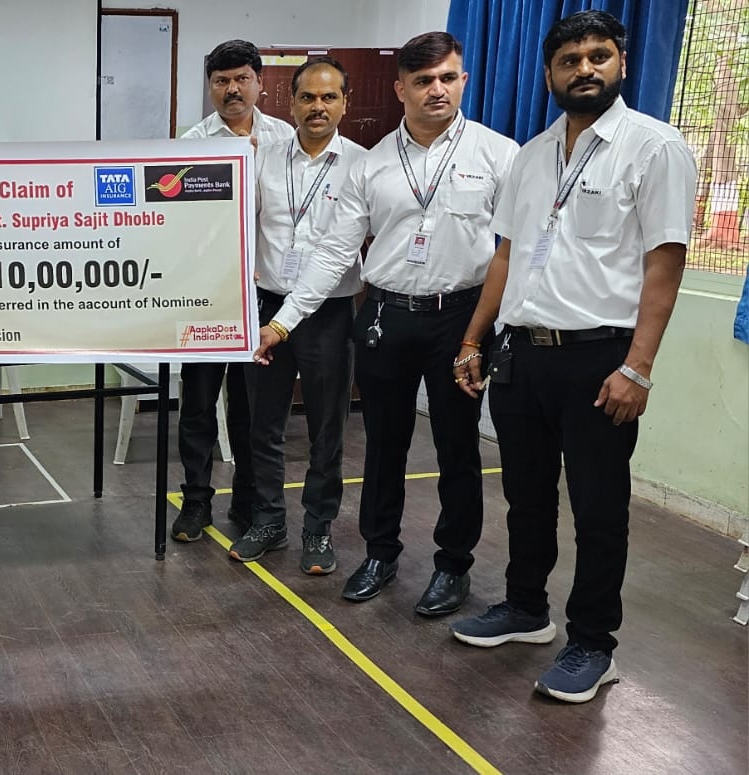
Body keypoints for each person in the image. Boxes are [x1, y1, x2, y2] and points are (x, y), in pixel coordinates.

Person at [449, 10, 697, 704]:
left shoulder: (655, 147)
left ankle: (593, 642)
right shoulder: (531, 155)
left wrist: (637, 367)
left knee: (598, 507)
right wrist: (473, 338)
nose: (584, 69)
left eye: (598, 56)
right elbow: (506, 255)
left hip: (600, 358)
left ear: (621, 63)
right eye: (569, 60)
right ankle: (526, 608)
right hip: (523, 355)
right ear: (550, 73)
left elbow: (664, 264)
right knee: (525, 497)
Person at [255, 32, 517, 614]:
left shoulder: (498, 154)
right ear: (400, 89)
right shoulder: (371, 165)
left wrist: (482, 336)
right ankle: (380, 553)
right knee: (383, 446)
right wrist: (283, 323)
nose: (436, 90)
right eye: (422, 81)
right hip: (384, 317)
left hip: (461, 320)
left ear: (463, 81)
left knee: (456, 447)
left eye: (446, 78)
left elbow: (514, 249)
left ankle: (453, 566)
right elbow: (335, 250)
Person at [231, 57, 363, 574]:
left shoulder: (361, 166)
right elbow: (240, 228)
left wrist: (283, 322)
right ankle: (268, 521)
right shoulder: (263, 158)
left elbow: (337, 253)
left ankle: (318, 529)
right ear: (291, 103)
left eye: (329, 97)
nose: (317, 107)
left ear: (345, 103)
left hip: (327, 315)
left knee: (326, 429)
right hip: (265, 309)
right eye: (308, 97)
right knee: (262, 424)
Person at [170, 39, 294, 543]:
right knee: (199, 403)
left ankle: (247, 500)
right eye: (221, 81)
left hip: (264, 297)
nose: (232, 89)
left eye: (242, 78)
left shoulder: (285, 138)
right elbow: (178, 224)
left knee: (251, 408)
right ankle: (196, 501)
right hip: (208, 295)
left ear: (260, 82)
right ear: (210, 88)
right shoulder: (192, 144)